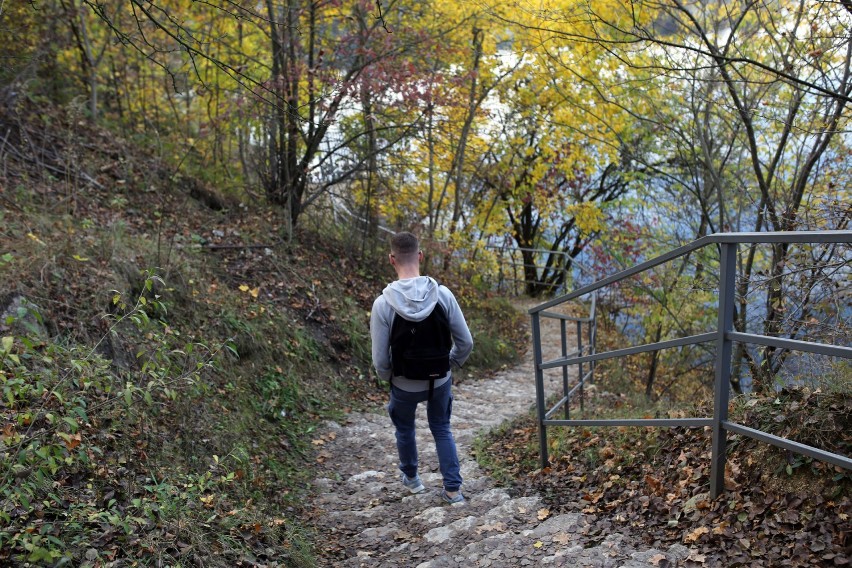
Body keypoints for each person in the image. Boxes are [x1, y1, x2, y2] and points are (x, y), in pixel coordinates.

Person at [370, 232, 473, 504]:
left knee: (404, 429)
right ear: (421, 256)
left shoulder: (383, 305)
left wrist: (391, 378)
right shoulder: (443, 295)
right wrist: (449, 364)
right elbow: (466, 342)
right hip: (439, 380)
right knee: (441, 427)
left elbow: (380, 361)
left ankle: (413, 480)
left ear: (392, 259)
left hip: (403, 382)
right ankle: (453, 490)